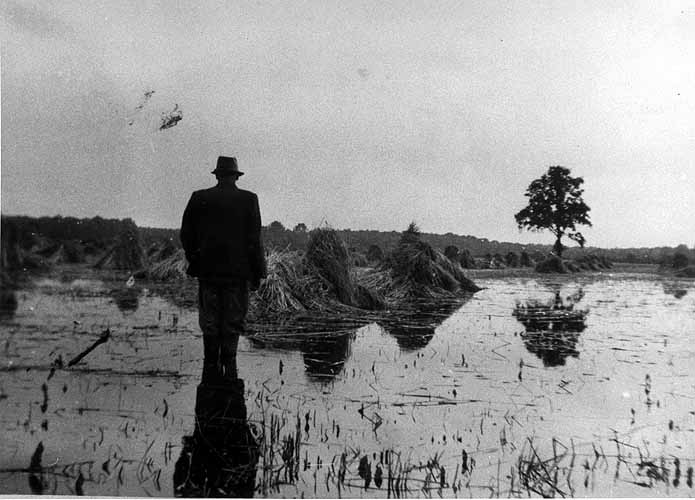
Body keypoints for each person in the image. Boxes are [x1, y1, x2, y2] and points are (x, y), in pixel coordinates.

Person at [180, 156, 266, 383]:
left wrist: (194, 258)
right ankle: (229, 366)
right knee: (233, 319)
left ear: (217, 175)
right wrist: (258, 273)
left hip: (207, 271)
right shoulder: (249, 199)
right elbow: (254, 240)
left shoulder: (200, 197)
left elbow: (186, 234)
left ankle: (210, 366)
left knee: (210, 319)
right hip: (238, 274)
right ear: (236, 176)